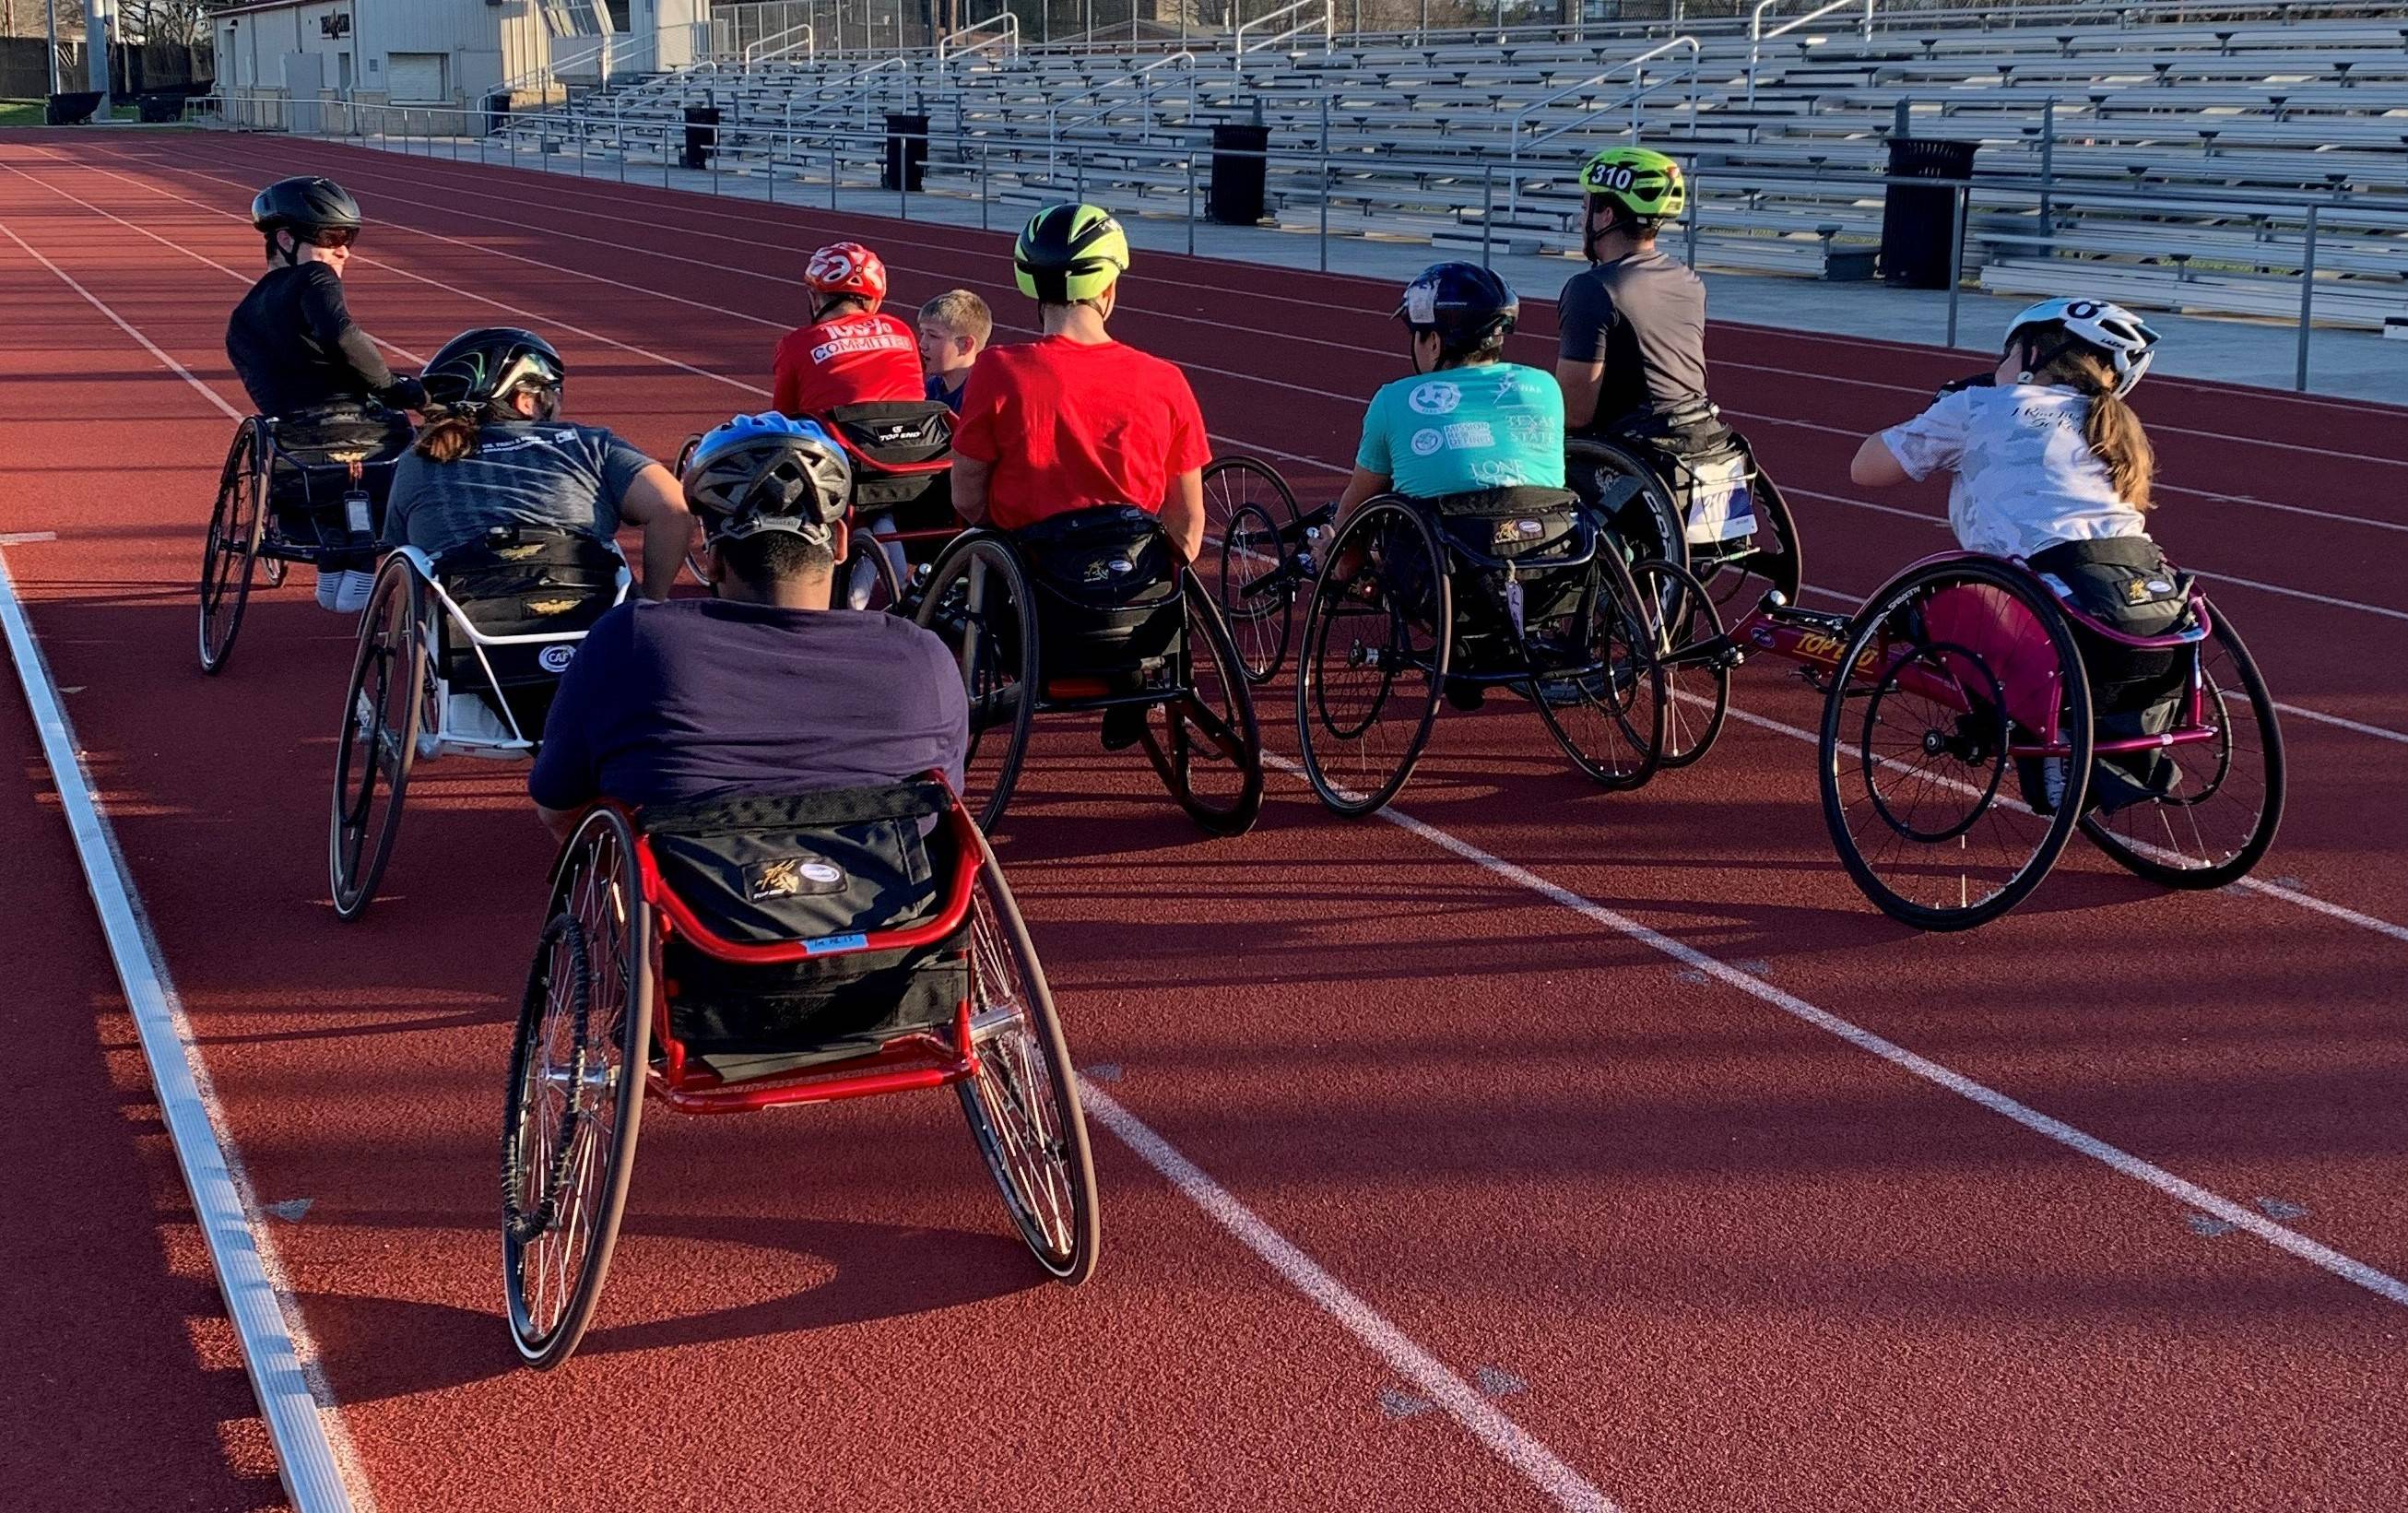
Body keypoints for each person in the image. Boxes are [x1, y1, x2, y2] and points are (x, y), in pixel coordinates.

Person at [527, 413, 968, 838]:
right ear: (839, 544)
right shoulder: (921, 655)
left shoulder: (631, 642)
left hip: (702, 902)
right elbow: (944, 809)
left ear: (714, 559)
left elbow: (559, 807)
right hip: (889, 901)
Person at [1849, 297, 2179, 810]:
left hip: (2049, 616)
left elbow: (1865, 470)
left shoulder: (1979, 405)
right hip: (2149, 611)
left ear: (2029, 354)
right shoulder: (2113, 426)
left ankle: (2035, 730)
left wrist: (1948, 406)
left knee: (1921, 610)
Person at [950, 204, 1209, 563]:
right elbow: (1187, 518)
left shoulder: (997, 369)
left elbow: (966, 496)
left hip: (1030, 569)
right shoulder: (1166, 380)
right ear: (1108, 288)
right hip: (1130, 574)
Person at [225, 175, 423, 611]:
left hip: (293, 455)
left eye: (349, 237)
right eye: (332, 237)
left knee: (328, 473)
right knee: (420, 436)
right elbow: (342, 336)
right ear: (285, 239)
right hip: (363, 442)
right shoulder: (314, 278)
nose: (344, 249)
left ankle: (335, 565)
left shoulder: (241, 317)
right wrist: (395, 387)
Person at [381, 326, 692, 601]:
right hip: (592, 620)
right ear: (526, 401)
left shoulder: (421, 458)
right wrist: (652, 598)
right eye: (554, 391)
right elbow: (674, 507)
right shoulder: (591, 443)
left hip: (470, 629)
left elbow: (395, 557)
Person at [1337, 263, 1565, 514]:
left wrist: (1332, 549)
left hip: (1442, 549)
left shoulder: (1391, 401)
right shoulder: (1546, 387)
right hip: (1544, 541)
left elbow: (1355, 508)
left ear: (1434, 342)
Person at [1552, 147, 1710, 438]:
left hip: (1633, 453)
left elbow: (1574, 414)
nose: (1579, 220)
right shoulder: (1690, 281)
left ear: (1606, 216)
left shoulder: (1592, 289)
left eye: (1586, 207)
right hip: (1697, 439)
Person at [771, 242, 926, 419]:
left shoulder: (796, 343)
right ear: (876, 301)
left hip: (838, 442)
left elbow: (783, 414)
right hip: (913, 438)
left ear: (814, 298)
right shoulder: (901, 330)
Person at [916, 289, 992, 414]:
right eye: (922, 333)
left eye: (933, 336)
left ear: (965, 345)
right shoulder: (931, 388)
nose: (922, 344)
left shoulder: (982, 397)